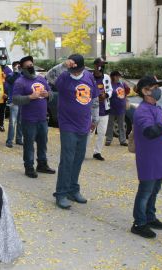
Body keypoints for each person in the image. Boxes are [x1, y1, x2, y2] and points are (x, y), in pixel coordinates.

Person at [131, 75, 162, 239]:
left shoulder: (158, 108)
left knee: (155, 190)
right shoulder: (142, 110)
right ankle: (139, 223)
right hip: (149, 157)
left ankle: (150, 217)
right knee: (145, 191)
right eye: (154, 87)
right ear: (145, 91)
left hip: (161, 156)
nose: (158, 90)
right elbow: (150, 131)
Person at [54, 54, 99, 209]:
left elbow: (94, 99)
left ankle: (73, 190)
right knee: (67, 160)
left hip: (84, 125)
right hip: (68, 125)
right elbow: (49, 77)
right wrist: (63, 66)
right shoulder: (64, 77)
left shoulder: (89, 77)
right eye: (72, 70)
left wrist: (95, 118)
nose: (74, 73)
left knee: (78, 159)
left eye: (77, 71)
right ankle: (61, 193)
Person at [13, 56, 55, 178]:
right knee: (29, 144)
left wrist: (48, 94)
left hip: (42, 118)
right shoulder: (20, 82)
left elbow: (51, 93)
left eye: (31, 65)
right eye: (28, 66)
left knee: (43, 143)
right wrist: (30, 97)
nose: (30, 67)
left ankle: (42, 164)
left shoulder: (41, 79)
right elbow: (15, 99)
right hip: (29, 120)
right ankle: (29, 167)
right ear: (22, 69)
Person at [87, 58, 112, 161]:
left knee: (102, 132)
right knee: (90, 132)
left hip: (104, 110)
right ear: (95, 65)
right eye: (99, 65)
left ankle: (97, 152)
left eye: (102, 65)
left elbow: (110, 89)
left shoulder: (106, 77)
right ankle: (82, 152)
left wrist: (106, 95)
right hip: (92, 111)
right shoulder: (89, 77)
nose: (101, 67)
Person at [105, 71, 130, 147]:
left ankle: (122, 140)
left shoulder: (122, 83)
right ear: (113, 76)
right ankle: (108, 140)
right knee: (110, 124)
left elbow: (127, 91)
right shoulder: (109, 84)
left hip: (121, 108)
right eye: (117, 76)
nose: (118, 77)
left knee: (121, 125)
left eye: (119, 76)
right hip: (111, 108)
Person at [5, 61, 23, 148]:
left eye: (19, 67)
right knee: (12, 122)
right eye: (16, 67)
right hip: (13, 101)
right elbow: (11, 81)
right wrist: (16, 73)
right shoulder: (10, 75)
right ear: (12, 67)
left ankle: (19, 139)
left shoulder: (22, 75)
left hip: (22, 101)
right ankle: (9, 141)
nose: (18, 68)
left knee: (20, 122)